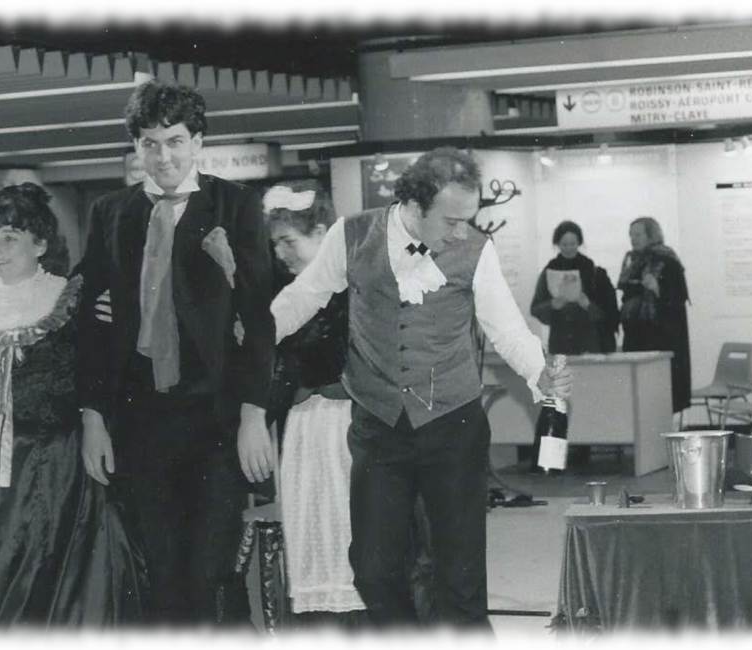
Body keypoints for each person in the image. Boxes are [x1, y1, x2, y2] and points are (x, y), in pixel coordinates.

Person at [271, 147, 572, 628]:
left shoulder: (475, 249)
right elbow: (303, 297)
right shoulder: (351, 235)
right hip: (379, 428)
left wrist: (540, 374)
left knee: (460, 581)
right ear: (413, 205)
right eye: (451, 220)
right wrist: (251, 337)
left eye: (468, 219)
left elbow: (508, 329)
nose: (462, 232)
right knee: (372, 570)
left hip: (453, 425)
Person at [76, 78, 275, 626]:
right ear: (135, 147)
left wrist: (253, 415)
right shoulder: (110, 212)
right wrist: (93, 417)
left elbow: (259, 321)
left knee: (210, 568)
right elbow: (92, 326)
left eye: (175, 142)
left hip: (215, 416)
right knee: (158, 571)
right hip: (140, 418)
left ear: (198, 142)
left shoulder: (235, 205)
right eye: (150, 143)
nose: (163, 157)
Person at [0, 183, 147, 628]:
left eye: (10, 237)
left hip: (64, 466)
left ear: (41, 244)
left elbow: (106, 372)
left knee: (65, 581)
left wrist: (96, 422)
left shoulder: (72, 301)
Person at [263, 183, 363, 624]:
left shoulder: (355, 289)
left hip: (348, 424)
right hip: (304, 425)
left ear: (321, 234)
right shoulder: (285, 295)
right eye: (275, 244)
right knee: (309, 522)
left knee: (348, 522)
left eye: (288, 241)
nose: (280, 253)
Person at [617, 216, 691, 413]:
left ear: (651, 235)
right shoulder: (632, 261)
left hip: (662, 337)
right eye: (631, 235)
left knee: (662, 397)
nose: (633, 239)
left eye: (638, 234)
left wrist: (658, 289)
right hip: (636, 336)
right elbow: (627, 294)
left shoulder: (668, 260)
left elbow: (680, 297)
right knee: (639, 398)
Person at [531, 220, 619, 355]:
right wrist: (552, 305)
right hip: (560, 343)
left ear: (579, 243)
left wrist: (588, 305)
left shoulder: (594, 272)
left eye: (572, 244)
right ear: (557, 244)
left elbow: (610, 312)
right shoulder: (549, 271)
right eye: (564, 244)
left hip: (590, 343)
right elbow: (536, 309)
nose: (568, 248)